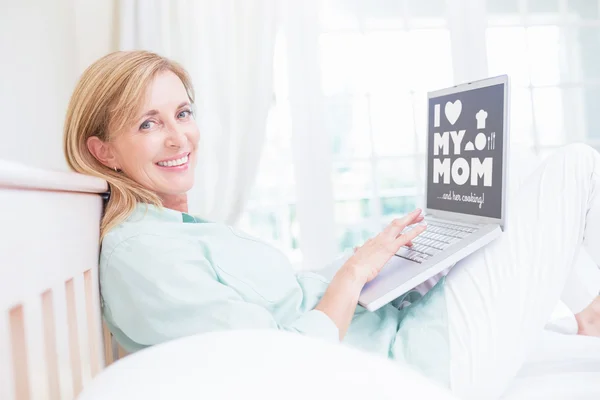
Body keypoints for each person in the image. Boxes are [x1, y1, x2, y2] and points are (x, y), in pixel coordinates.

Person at [63, 50, 600, 399]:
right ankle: (585, 318)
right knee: (576, 166)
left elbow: (286, 304)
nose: (180, 138)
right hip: (416, 365)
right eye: (148, 123)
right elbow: (277, 367)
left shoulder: (167, 230)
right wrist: (352, 276)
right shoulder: (143, 256)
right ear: (103, 151)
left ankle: (582, 321)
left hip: (394, 334)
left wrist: (373, 266)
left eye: (182, 113)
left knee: (515, 181)